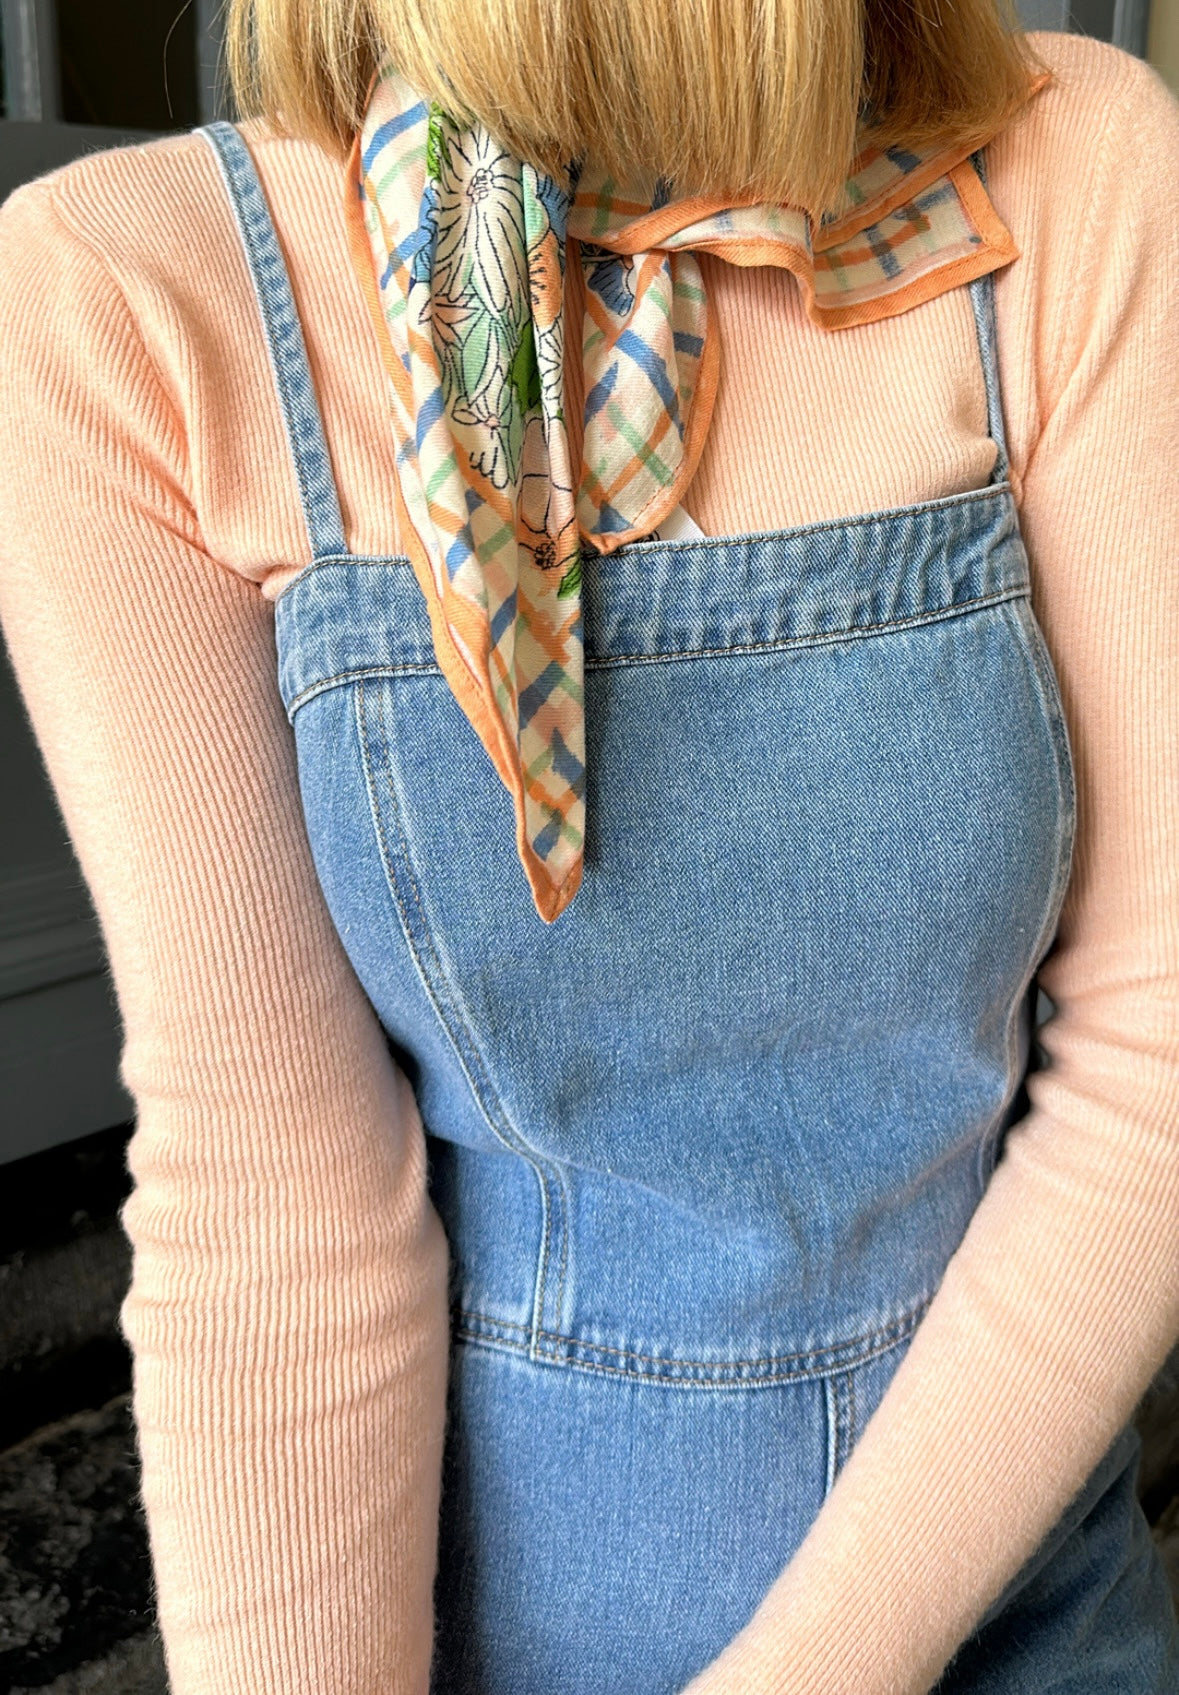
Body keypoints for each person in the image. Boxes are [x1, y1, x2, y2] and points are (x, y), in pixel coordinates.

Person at [0, 0, 1177, 1689]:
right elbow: (274, 1198)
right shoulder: (133, 291)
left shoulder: (1078, 168)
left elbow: (1158, 1052)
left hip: (1028, 1618)